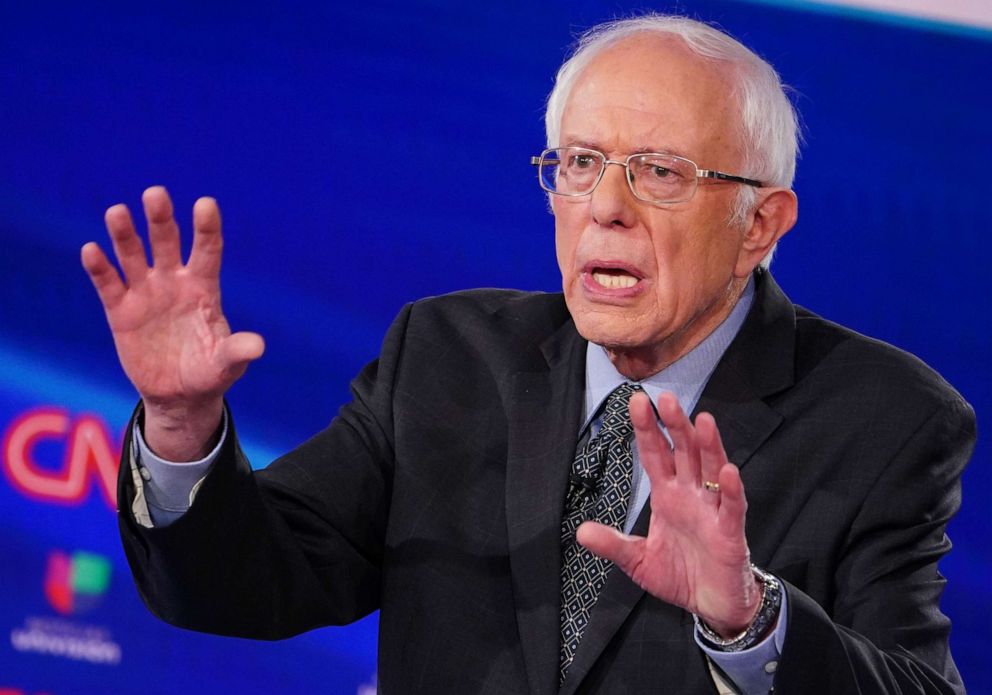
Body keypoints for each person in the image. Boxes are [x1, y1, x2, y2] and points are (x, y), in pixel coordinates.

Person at [81, 13, 974, 695]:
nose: (606, 207)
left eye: (661, 172)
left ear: (760, 225)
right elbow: (241, 584)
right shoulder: (446, 357)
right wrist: (181, 424)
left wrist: (752, 622)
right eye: (580, 162)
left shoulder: (885, 418)